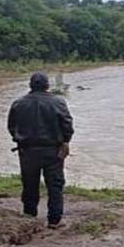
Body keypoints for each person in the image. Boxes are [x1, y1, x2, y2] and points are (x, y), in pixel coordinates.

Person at [8, 73, 74, 228]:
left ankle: (29, 215)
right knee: (55, 185)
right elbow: (67, 124)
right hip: (53, 150)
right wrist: (66, 141)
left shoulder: (18, 103)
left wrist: (20, 138)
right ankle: (54, 220)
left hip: (27, 150)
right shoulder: (58, 102)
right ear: (47, 85)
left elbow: (11, 126)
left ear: (30, 85)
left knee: (29, 184)